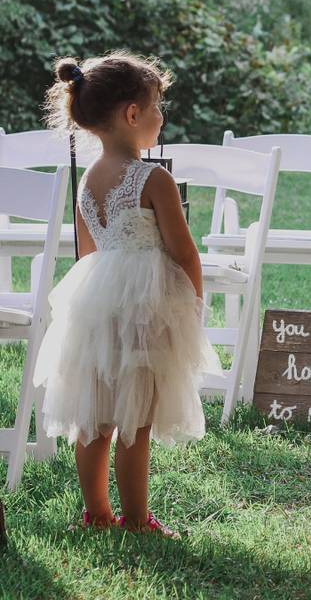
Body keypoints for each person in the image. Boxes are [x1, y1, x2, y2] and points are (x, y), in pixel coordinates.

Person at [34, 52, 219, 535]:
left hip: (94, 304)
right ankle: (137, 518)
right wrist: (192, 306)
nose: (161, 117)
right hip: (145, 307)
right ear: (132, 114)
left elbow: (89, 252)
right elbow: (184, 253)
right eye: (157, 106)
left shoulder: (87, 180)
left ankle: (96, 513)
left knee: (94, 415)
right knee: (136, 420)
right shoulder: (153, 177)